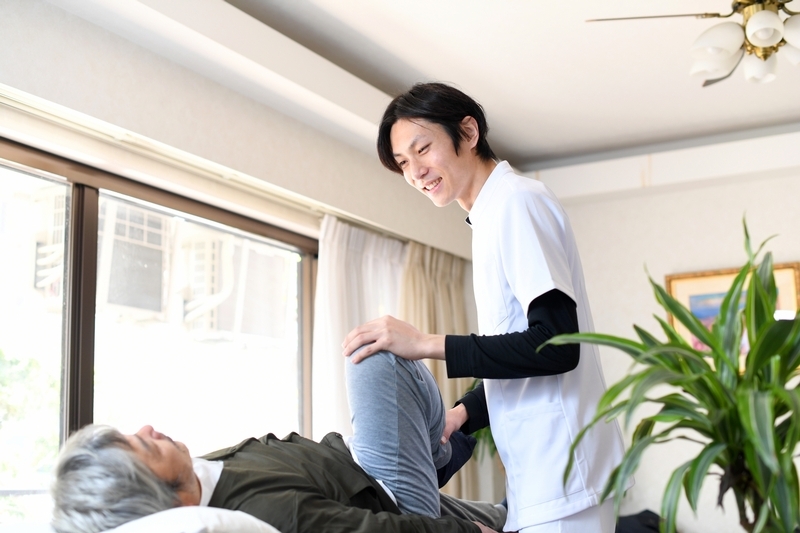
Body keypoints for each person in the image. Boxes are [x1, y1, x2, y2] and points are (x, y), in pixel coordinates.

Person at [342, 82, 630, 533]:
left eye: (423, 149)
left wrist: (424, 343)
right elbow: (519, 350)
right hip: (542, 479)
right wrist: (465, 413)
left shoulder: (518, 202)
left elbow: (556, 345)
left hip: (564, 474)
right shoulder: (490, 215)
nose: (416, 172)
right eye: (403, 163)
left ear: (469, 132)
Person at [50, 350, 504, 533]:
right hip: (389, 494)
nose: (149, 429)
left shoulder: (198, 468)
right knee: (374, 359)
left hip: (364, 466)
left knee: (512, 516)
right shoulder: (259, 514)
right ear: (164, 499)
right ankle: (444, 443)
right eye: (145, 447)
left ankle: (445, 441)